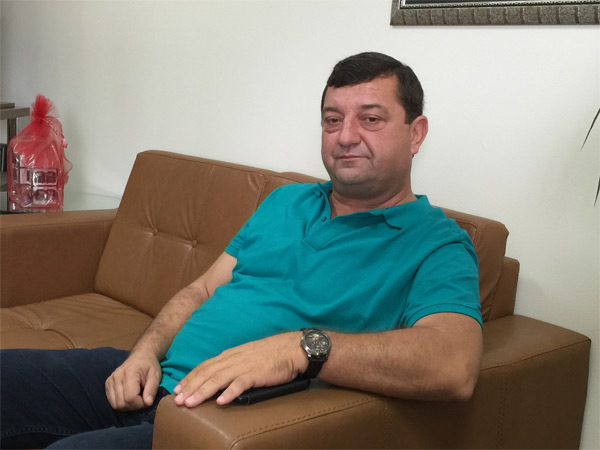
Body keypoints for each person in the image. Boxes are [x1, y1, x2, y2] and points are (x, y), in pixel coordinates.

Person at [0, 52, 483, 449]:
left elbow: (454, 365)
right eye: (332, 120)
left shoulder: (437, 242)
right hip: (153, 380)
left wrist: (301, 348)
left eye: (371, 119)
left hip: (221, 423)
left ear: (416, 133)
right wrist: (144, 352)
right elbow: (201, 290)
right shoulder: (285, 201)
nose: (346, 136)